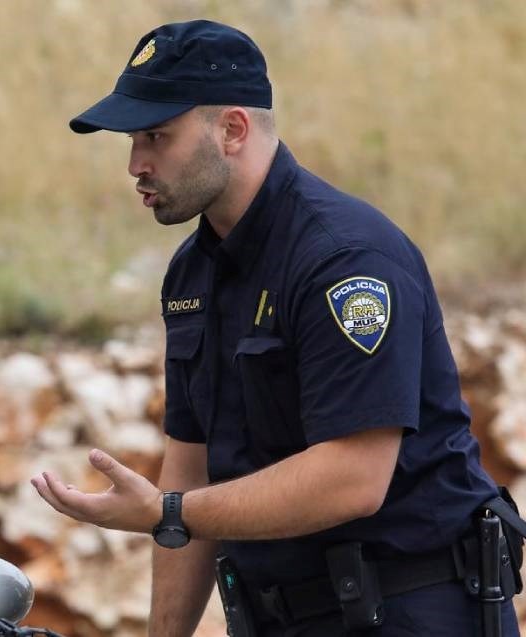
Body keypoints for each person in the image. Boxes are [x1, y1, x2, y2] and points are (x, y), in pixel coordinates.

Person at [30, 20, 524, 636]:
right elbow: (192, 464)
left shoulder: (345, 260)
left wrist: (167, 513)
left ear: (233, 129)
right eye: (134, 139)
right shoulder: (193, 272)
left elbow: (353, 479)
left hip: (409, 614)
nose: (136, 163)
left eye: (157, 136)